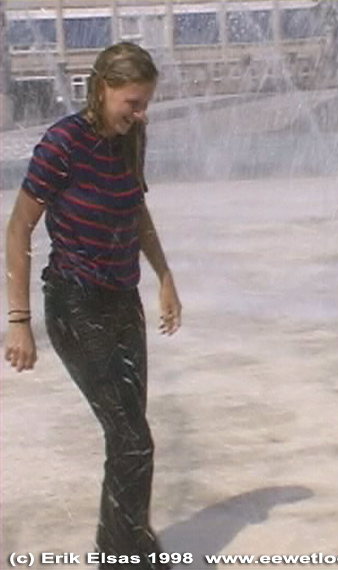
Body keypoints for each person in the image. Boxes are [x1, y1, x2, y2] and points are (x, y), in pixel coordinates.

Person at [4, 42, 180, 570]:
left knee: (128, 437)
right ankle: (129, 554)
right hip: (75, 303)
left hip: (123, 301)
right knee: (133, 439)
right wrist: (19, 321)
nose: (141, 114)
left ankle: (122, 546)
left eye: (145, 103)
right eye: (133, 102)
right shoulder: (62, 144)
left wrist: (164, 276)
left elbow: (136, 209)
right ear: (102, 89)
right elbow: (18, 228)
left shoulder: (131, 139)